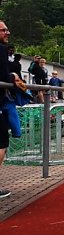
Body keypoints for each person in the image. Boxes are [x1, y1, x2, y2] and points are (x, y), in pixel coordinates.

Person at [0, 20, 16, 198]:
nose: (7, 32)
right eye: (3, 30)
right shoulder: (1, 50)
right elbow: (4, 76)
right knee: (2, 141)